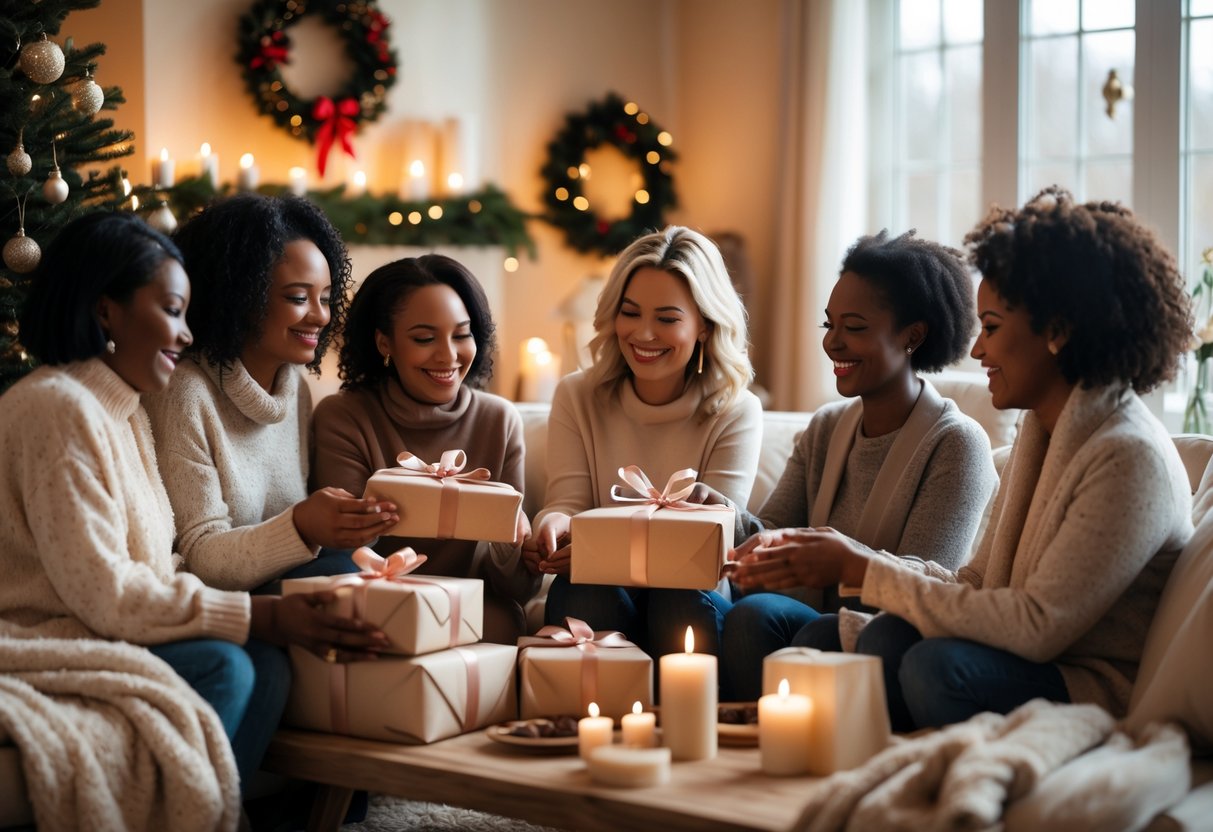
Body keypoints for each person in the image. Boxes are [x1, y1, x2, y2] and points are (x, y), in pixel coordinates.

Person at [732, 187, 1194, 730]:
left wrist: (860, 568)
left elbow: (1036, 625)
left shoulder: (1125, 457)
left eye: (993, 328)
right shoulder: (1041, 432)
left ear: (1058, 331)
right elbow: (976, 580)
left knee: (931, 668)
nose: (977, 351)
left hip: (1083, 681)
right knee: (851, 635)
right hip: (1024, 656)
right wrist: (851, 561)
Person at [0, 212, 388, 790]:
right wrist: (260, 612)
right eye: (173, 312)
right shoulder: (58, 409)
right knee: (225, 665)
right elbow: (107, 590)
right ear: (107, 310)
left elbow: (160, 560)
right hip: (55, 637)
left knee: (268, 662)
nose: (185, 336)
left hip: (116, 623)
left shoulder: (122, 410)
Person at [720, 229, 998, 700]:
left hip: (891, 637)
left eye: (855, 327)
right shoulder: (827, 426)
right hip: (818, 619)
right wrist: (720, 513)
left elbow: (927, 585)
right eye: (829, 326)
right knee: (753, 613)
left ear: (913, 335)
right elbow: (771, 529)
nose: (833, 344)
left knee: (779, 623)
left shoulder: (956, 444)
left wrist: (837, 558)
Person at [525, 226, 763, 660]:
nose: (644, 334)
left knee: (679, 598)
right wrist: (553, 524)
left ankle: (679, 719)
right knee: (584, 590)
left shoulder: (737, 409)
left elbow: (710, 542)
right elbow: (568, 501)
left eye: (667, 319)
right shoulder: (576, 396)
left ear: (706, 326)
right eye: (630, 313)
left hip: (691, 592)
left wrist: (608, 545)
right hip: (601, 585)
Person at [144, 194, 397, 593]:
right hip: (213, 601)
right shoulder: (184, 392)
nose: (320, 315)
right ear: (240, 295)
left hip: (282, 586)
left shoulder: (293, 385)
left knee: (359, 570)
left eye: (326, 298)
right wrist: (300, 524)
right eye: (298, 298)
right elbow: (199, 557)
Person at [311, 254, 536, 643]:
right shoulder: (344, 416)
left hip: (475, 610)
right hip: (379, 604)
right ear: (385, 342)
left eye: (461, 334)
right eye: (424, 338)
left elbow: (518, 588)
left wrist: (513, 544)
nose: (448, 355)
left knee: (504, 626)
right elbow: (343, 556)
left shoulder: (499, 421)